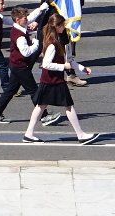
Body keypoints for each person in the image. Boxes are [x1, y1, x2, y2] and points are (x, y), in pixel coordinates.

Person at [22, 13, 99, 145]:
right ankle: (80, 135)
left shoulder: (59, 41)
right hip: (52, 79)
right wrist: (64, 66)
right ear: (57, 26)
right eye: (62, 25)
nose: (64, 27)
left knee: (41, 106)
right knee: (67, 106)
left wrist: (82, 68)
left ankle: (29, 134)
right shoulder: (52, 44)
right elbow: (45, 64)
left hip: (52, 79)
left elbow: (69, 60)